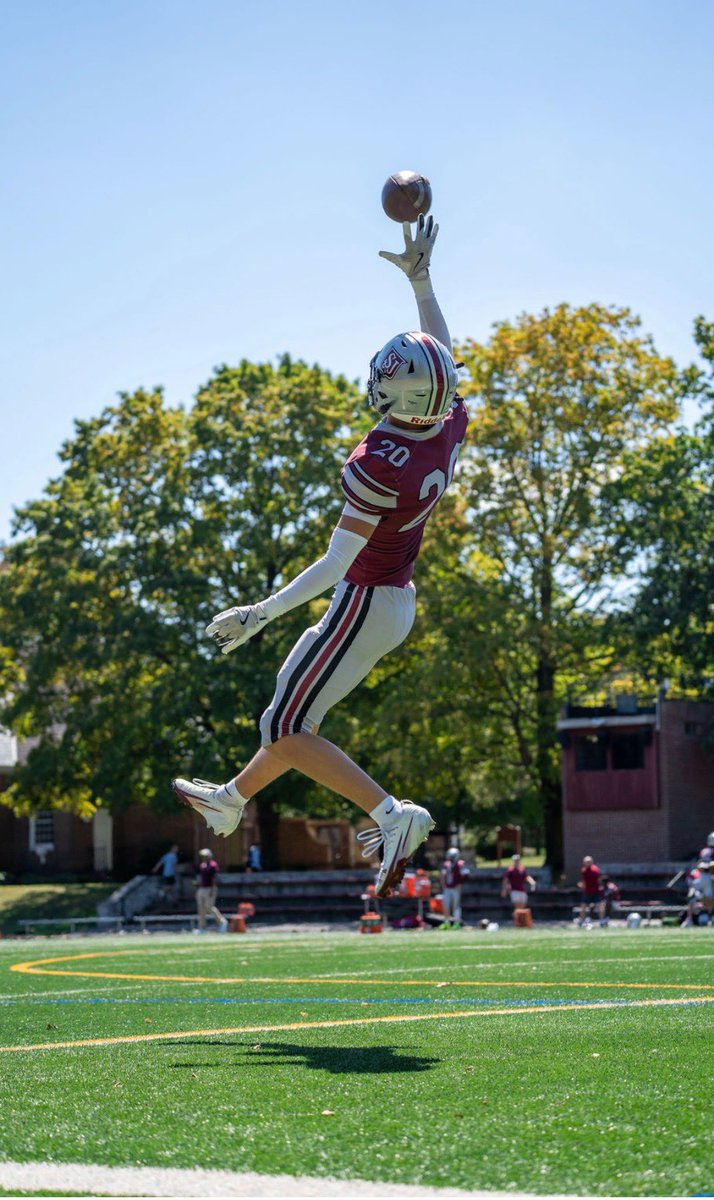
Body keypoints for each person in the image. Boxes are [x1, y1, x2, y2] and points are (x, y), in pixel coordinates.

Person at [171, 216, 467, 898]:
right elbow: (440, 354)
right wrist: (422, 283)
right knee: (294, 715)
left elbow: (335, 564)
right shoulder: (444, 422)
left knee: (282, 722)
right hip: (391, 599)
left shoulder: (378, 461)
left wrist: (260, 612)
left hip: (363, 598)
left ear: (398, 393)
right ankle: (232, 797)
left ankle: (393, 815)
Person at [195, 848, 228, 932]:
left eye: (205, 856)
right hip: (202, 888)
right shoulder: (202, 865)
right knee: (201, 908)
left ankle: (222, 921)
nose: (204, 857)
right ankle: (202, 927)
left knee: (209, 907)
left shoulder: (213, 865)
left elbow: (214, 879)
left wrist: (212, 890)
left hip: (210, 888)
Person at [440, 847, 469, 927]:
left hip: (456, 888)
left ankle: (457, 923)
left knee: (456, 906)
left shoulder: (461, 864)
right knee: (446, 905)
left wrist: (460, 884)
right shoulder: (446, 864)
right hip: (447, 888)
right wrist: (443, 885)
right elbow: (443, 876)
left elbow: (465, 875)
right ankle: (446, 923)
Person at [578, 855, 603, 927]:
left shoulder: (593, 870)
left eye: (588, 862)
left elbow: (584, 884)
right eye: (586, 862)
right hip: (588, 891)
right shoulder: (585, 870)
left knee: (600, 906)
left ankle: (602, 921)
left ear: (591, 862)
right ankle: (582, 921)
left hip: (594, 891)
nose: (587, 863)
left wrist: (581, 886)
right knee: (583, 906)